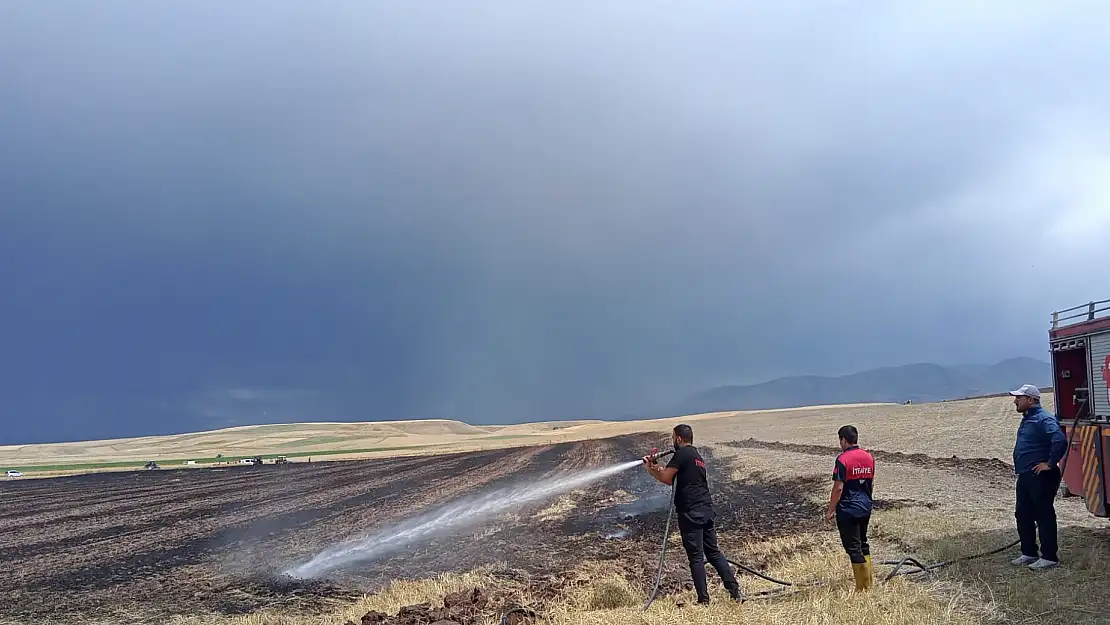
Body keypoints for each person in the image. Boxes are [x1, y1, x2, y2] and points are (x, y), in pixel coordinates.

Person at [643, 424, 742, 604]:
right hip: (706, 510)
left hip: (691, 512)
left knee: (696, 557)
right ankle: (735, 592)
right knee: (714, 553)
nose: (672, 441)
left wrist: (650, 469)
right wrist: (657, 467)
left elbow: (666, 478)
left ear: (678, 439)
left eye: (673, 437)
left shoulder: (682, 454)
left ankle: (703, 600)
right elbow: (672, 474)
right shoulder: (696, 456)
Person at [1009, 383, 1067, 570]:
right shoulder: (1028, 419)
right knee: (1023, 513)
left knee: (1043, 515)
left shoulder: (1044, 419)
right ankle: (1028, 553)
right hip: (1026, 475)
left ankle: (1049, 557)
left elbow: (1059, 440)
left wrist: (1049, 464)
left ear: (1032, 400)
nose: (1015, 401)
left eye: (1019, 398)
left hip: (1041, 476)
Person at [826, 425, 875, 591]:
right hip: (865, 507)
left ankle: (863, 588)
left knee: (853, 548)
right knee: (863, 543)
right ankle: (869, 581)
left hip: (848, 510)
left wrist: (831, 509)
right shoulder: (869, 457)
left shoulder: (842, 460)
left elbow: (838, 488)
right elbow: (871, 483)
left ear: (843, 440)